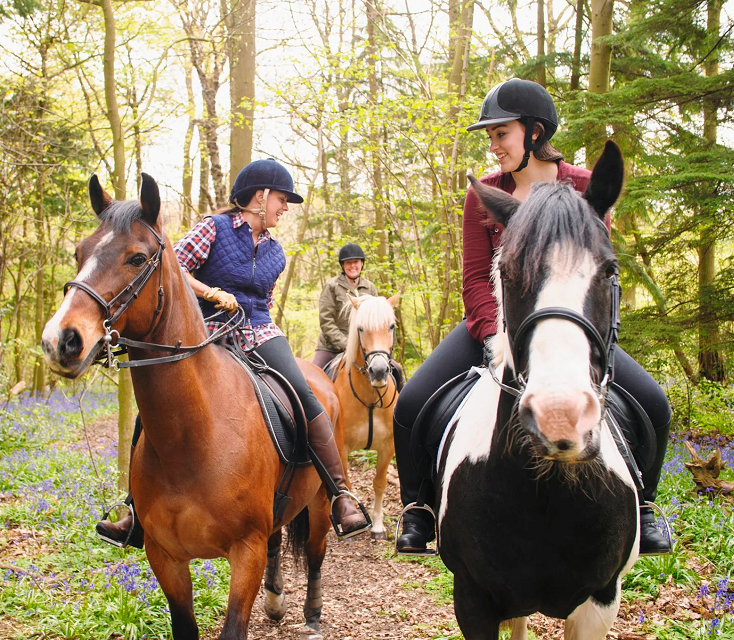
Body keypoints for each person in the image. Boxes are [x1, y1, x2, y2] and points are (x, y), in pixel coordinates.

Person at [393, 78, 672, 556]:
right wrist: (495, 338)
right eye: (490, 137)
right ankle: (417, 509)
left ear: (535, 132)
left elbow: (594, 271)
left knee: (655, 403)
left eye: (501, 133)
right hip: (499, 328)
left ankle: (643, 508)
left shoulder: (585, 188)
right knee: (412, 401)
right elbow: (476, 278)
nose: (494, 145)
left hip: (569, 328)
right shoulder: (485, 194)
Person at [97, 158, 371, 545]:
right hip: (206, 332)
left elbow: (266, 301)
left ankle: (341, 494)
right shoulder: (214, 228)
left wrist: (261, 321)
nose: (285, 207)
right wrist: (211, 293)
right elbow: (172, 268)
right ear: (259, 196)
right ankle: (134, 511)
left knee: (306, 395)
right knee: (156, 406)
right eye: (281, 198)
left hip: (259, 331)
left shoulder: (277, 252)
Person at [313, 244, 405, 390]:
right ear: (343, 266)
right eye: (348, 263)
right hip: (332, 347)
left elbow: (376, 323)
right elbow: (326, 322)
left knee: (397, 369)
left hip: (365, 348)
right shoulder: (332, 286)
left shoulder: (370, 287)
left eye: (356, 262)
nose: (352, 266)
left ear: (361, 264)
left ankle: (399, 409)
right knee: (312, 379)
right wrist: (346, 344)